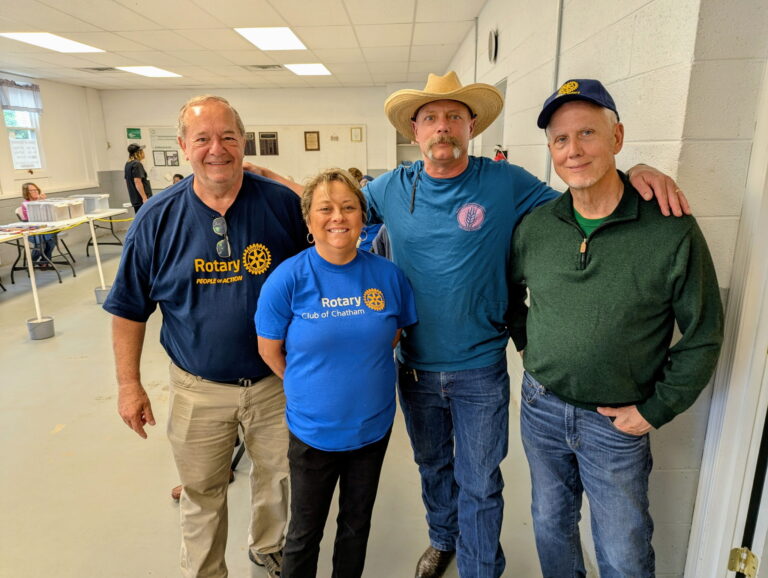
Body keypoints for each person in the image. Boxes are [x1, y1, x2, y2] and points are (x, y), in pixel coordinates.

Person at [252, 71, 688, 578]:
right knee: (433, 468)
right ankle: (442, 539)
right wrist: (263, 185)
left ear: (471, 126)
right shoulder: (391, 188)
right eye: (431, 118)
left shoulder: (507, 184)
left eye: (454, 117)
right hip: (413, 368)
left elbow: (583, 193)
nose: (443, 127)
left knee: (480, 481)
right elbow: (332, 209)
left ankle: (481, 569)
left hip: (480, 369)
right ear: (415, 132)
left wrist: (636, 169)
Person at [509, 79, 724, 577]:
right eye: (560, 140)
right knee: (549, 521)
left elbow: (704, 333)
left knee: (624, 549)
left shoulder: (669, 229)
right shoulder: (537, 227)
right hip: (541, 409)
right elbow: (509, 299)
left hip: (615, 424)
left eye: (587, 133)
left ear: (618, 138)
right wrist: (531, 348)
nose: (573, 150)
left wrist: (654, 409)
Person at [103, 95, 309, 578]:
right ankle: (206, 571)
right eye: (203, 139)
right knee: (201, 489)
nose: (217, 149)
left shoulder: (281, 205)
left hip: (276, 381)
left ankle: (268, 548)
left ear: (243, 142)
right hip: (198, 388)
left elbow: (331, 253)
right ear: (182, 148)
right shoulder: (155, 219)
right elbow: (129, 309)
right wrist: (128, 385)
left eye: (228, 137)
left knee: (277, 478)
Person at [256, 168, 417, 578]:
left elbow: (392, 334)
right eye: (325, 208)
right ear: (309, 219)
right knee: (304, 531)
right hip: (313, 433)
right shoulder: (288, 279)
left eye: (348, 207)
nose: (338, 217)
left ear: (363, 217)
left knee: (355, 527)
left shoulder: (387, 276)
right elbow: (270, 350)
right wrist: (309, 389)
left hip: (371, 429)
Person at [19, 182, 57, 268]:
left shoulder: (42, 201)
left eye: (36, 189)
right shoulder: (25, 204)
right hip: (32, 230)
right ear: (26, 192)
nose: (35, 192)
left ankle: (44, 261)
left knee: (51, 242)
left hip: (44, 228)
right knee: (41, 245)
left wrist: (44, 202)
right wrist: (39, 202)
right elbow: (33, 218)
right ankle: (31, 264)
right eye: (32, 190)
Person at [124, 143, 153, 214]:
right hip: (141, 200)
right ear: (138, 153)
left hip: (135, 199)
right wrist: (144, 198)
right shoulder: (137, 164)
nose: (143, 153)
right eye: (142, 151)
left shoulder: (128, 164)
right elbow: (137, 181)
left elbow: (127, 181)